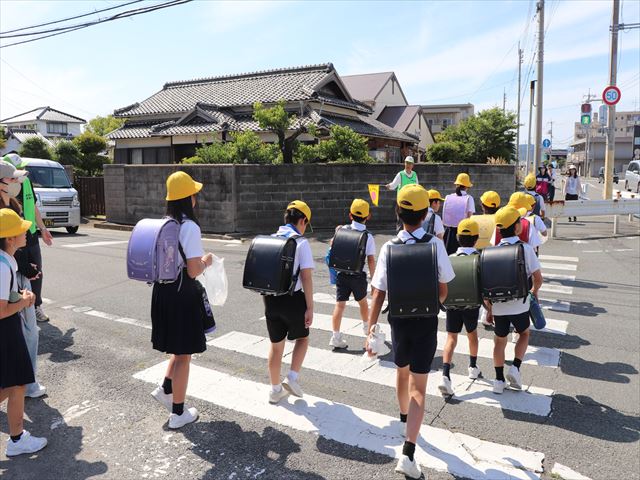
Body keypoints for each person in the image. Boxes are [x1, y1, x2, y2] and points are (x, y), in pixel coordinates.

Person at [367, 184, 455, 479]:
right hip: (426, 321)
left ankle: (404, 419)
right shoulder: (435, 245)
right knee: (419, 387)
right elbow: (444, 289)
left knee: (401, 371)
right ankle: (408, 452)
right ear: (426, 213)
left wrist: (370, 328)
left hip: (398, 321)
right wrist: (431, 304)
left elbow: (378, 292)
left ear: (398, 212)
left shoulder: (389, 247)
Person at [149, 171, 213, 429]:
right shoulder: (190, 227)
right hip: (182, 293)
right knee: (185, 354)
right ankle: (178, 413)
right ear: (189, 198)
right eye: (194, 193)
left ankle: (166, 388)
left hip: (162, 292)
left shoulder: (165, 224)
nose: (196, 197)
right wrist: (207, 261)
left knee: (178, 348)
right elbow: (194, 270)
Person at [0, 208, 48, 456]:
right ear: (9, 238)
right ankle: (17, 440)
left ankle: (18, 438)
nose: (26, 233)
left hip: (7, 327)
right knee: (17, 382)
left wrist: (20, 295)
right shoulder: (3, 265)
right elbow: (1, 310)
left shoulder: (6, 259)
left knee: (11, 382)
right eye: (20, 230)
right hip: (6, 329)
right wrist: (25, 301)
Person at [0, 162, 46, 398]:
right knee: (23, 331)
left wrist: (29, 266)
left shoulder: (14, 204)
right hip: (9, 274)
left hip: (19, 271)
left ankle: (26, 382)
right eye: (12, 179)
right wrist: (27, 268)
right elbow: (7, 244)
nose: (17, 182)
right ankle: (23, 383)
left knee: (28, 331)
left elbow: (21, 237)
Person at [265, 200, 314, 404]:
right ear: (302, 220)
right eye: (306, 223)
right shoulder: (301, 243)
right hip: (293, 299)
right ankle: (292, 378)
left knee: (276, 347)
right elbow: (306, 277)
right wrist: (310, 307)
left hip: (271, 300)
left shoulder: (271, 239)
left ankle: (275, 390)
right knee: (302, 338)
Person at [490, 206, 543, 395]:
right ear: (516, 227)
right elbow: (538, 279)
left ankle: (498, 380)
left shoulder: (491, 251)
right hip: (520, 304)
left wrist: (489, 307)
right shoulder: (525, 249)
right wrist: (533, 292)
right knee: (524, 334)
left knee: (499, 341)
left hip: (498, 306)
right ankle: (515, 367)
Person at [2, 154, 53, 323]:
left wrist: (42, 228)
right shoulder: (6, 197)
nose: (20, 174)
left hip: (28, 233)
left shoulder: (24, 185)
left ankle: (35, 305)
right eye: (15, 173)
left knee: (36, 271)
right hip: (13, 238)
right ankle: (17, 307)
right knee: (17, 272)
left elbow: (33, 206)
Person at [438, 219, 482, 396]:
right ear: (476, 238)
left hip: (452, 304)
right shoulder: (479, 258)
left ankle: (445, 375)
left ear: (457, 238)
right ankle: (472, 367)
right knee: (472, 335)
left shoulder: (449, 258)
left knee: (451, 338)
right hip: (472, 304)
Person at [329, 199, 375, 349]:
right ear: (368, 216)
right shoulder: (367, 236)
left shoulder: (342, 230)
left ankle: (336, 336)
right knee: (362, 302)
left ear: (350, 215)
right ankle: (366, 328)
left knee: (339, 305)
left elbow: (332, 245)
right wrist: (374, 280)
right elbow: (371, 260)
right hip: (358, 276)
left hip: (342, 274)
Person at [442, 173, 475, 255]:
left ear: (456, 185)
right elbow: (470, 217)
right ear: (467, 187)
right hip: (462, 233)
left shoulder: (449, 197)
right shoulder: (469, 198)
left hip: (449, 232)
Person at [386, 156, 418, 232]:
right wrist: (389, 186)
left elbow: (417, 187)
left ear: (413, 165)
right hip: (401, 203)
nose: (408, 165)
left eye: (410, 163)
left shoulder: (414, 174)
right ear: (404, 164)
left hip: (411, 203)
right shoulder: (400, 174)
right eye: (407, 163)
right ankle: (399, 237)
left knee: (410, 223)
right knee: (401, 222)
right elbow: (393, 185)